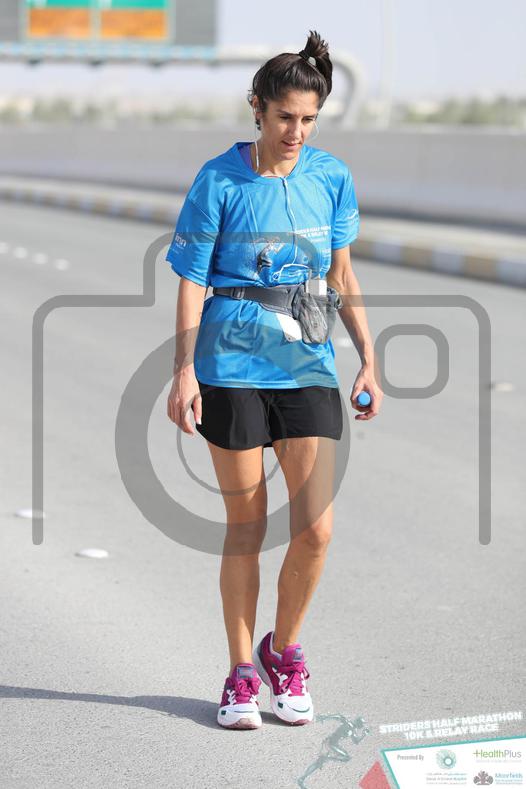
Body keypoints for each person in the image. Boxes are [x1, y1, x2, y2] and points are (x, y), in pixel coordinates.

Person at [166, 30, 383, 730]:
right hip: (229, 365)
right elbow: (192, 280)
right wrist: (184, 371)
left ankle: (283, 651)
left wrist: (368, 356)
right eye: (285, 116)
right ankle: (239, 674)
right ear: (256, 108)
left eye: (309, 119)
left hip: (307, 362)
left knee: (316, 527)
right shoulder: (218, 180)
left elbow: (341, 274)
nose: (296, 131)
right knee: (248, 525)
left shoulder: (331, 177)